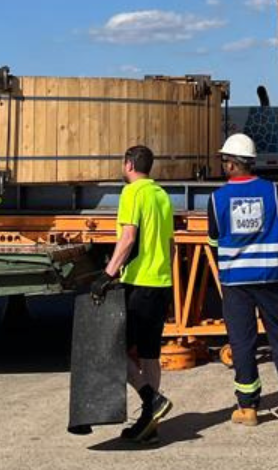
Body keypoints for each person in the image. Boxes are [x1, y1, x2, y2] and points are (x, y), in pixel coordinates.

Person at [208, 133, 278, 424]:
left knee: (242, 343)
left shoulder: (217, 199)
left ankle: (249, 408)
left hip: (236, 282)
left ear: (231, 164)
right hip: (271, 276)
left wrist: (227, 268)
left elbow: (214, 243)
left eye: (224, 160)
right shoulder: (274, 192)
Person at [99, 144, 175, 443]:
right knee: (149, 355)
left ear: (129, 164)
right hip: (161, 283)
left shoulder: (133, 193)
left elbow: (128, 237)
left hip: (140, 284)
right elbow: (170, 245)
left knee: (115, 351)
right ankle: (150, 424)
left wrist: (107, 274)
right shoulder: (161, 196)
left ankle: (151, 401)